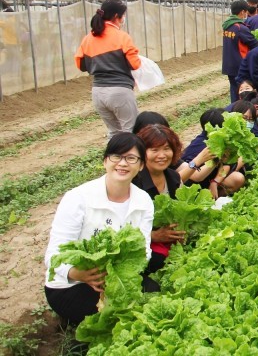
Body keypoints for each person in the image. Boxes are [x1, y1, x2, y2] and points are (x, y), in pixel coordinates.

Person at [44, 133, 155, 325]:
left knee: (153, 297)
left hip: (117, 279)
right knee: (113, 320)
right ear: (105, 161)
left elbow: (144, 250)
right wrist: (78, 273)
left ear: (141, 165)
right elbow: (54, 255)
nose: (123, 163)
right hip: (74, 283)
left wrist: (119, 274)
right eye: (116, 156)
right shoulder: (78, 198)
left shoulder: (143, 200)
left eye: (131, 158)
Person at [75, 0, 141, 137]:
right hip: (119, 91)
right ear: (117, 16)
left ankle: (112, 158)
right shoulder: (122, 37)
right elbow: (135, 64)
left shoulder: (88, 38)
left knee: (114, 133)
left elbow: (81, 65)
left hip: (98, 92)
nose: (124, 19)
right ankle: (131, 158)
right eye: (123, 16)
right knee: (131, 132)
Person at [132, 124, 186, 274]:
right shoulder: (134, 182)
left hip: (170, 241)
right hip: (143, 244)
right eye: (154, 150)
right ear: (142, 153)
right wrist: (154, 236)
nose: (162, 155)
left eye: (166, 149)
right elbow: (123, 227)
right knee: (157, 261)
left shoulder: (174, 177)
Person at [182, 108, 246, 198]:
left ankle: (217, 198)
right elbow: (194, 177)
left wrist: (215, 182)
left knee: (237, 177)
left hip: (209, 179)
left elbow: (228, 164)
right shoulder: (201, 146)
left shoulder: (220, 142)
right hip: (194, 188)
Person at [223, 0, 258, 103]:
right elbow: (254, 44)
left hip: (229, 64)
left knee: (235, 90)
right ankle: (242, 112)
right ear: (243, 12)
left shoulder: (227, 25)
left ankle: (234, 111)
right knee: (244, 92)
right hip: (240, 65)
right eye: (246, 12)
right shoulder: (240, 28)